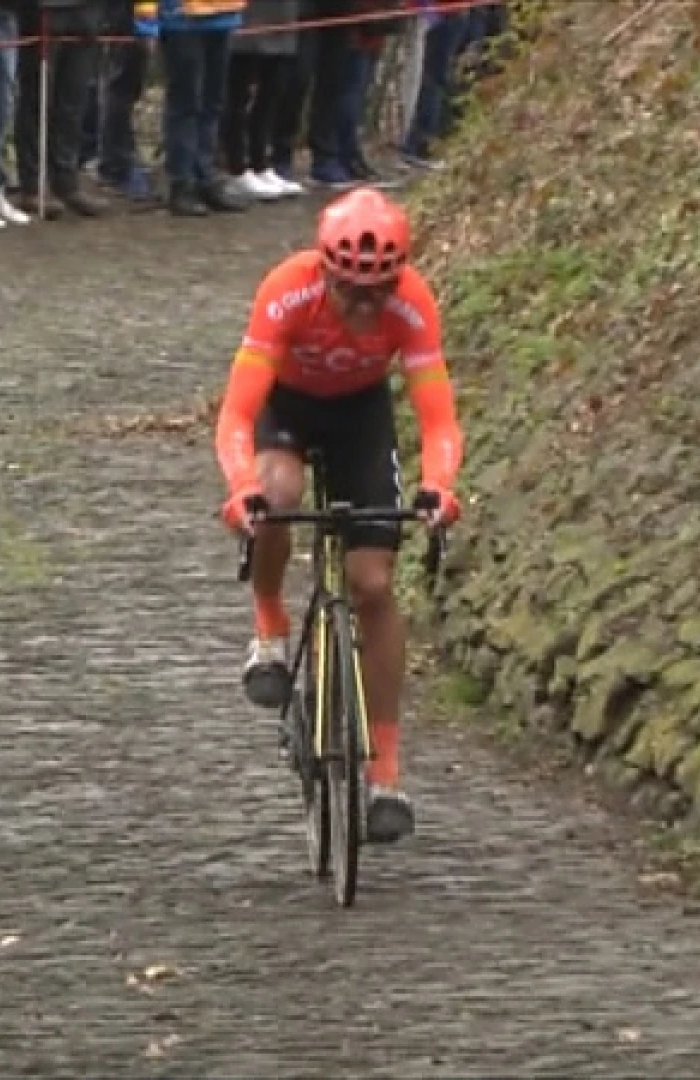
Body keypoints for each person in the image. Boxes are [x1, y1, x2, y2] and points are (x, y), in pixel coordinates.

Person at [212, 187, 464, 844]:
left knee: (374, 584)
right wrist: (241, 488)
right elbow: (239, 411)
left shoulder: (412, 304)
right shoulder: (287, 290)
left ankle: (385, 772)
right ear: (325, 271)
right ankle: (269, 625)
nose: (362, 305)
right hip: (287, 406)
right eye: (350, 289)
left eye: (377, 291)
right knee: (278, 492)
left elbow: (438, 419)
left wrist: (439, 486)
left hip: (360, 415)